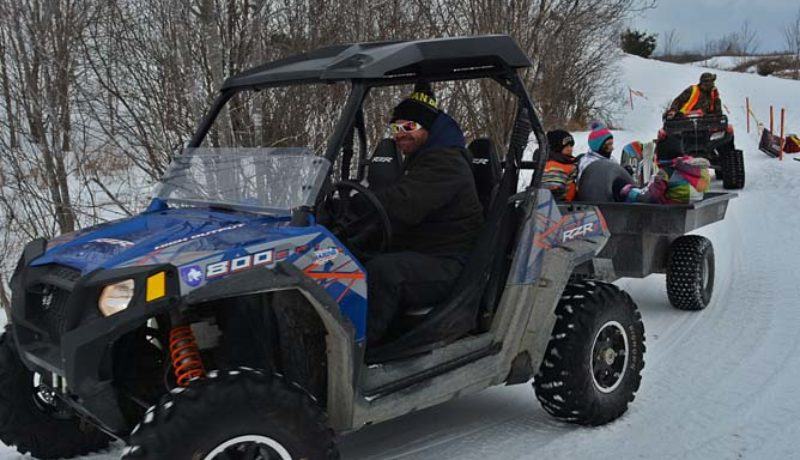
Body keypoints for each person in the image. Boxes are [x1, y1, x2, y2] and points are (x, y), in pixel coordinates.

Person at [364, 83, 484, 346]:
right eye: (396, 128)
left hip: (447, 262)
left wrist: (362, 203)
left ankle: (362, 351)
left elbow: (406, 203)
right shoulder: (421, 158)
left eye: (409, 127)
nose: (400, 134)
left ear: (428, 128)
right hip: (423, 250)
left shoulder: (446, 163)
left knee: (383, 273)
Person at [614, 134, 711, 204]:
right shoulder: (698, 169)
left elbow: (648, 197)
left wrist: (628, 190)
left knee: (631, 200)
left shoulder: (666, 173)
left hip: (669, 209)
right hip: (687, 204)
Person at [542, 129, 578, 201]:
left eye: (571, 145)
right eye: (566, 146)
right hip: (562, 208)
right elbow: (553, 195)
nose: (570, 149)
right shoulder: (555, 167)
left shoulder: (566, 162)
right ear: (556, 148)